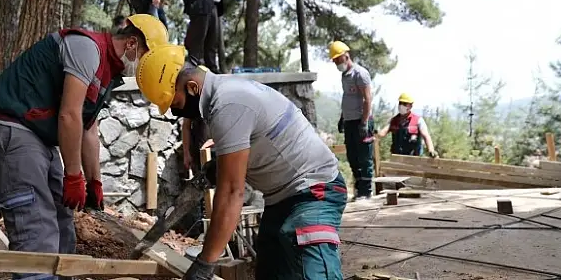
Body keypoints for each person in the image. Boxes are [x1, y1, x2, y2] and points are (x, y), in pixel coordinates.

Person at [0, 14, 168, 280]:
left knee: (61, 216)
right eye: (146, 58)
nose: (144, 67)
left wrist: (94, 182)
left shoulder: (108, 73)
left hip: (38, 137)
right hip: (13, 129)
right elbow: (69, 115)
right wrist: (73, 174)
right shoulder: (87, 49)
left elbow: (88, 128)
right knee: (36, 224)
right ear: (131, 44)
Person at [137, 44, 348, 280]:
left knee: (314, 274)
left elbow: (231, 193)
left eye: (175, 104)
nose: (177, 113)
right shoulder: (225, 94)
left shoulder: (227, 104)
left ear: (193, 87)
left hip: (314, 193)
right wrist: (222, 165)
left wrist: (205, 264)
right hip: (282, 199)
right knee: (270, 272)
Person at [329, 40, 374, 201]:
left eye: (337, 60)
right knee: (353, 156)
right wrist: (343, 117)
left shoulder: (360, 74)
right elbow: (347, 97)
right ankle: (358, 188)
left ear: (345, 56)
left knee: (364, 157)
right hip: (349, 121)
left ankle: (366, 191)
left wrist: (364, 122)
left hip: (361, 121)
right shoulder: (344, 76)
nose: (335, 63)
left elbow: (367, 99)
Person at [377, 93, 438, 158]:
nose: (401, 106)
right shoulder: (393, 120)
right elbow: (382, 132)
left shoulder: (418, 120)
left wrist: (431, 150)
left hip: (414, 160)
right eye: (400, 103)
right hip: (396, 159)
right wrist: (374, 134)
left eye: (404, 104)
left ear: (411, 106)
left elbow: (426, 136)